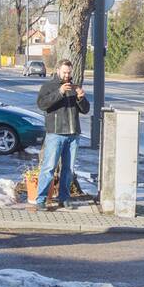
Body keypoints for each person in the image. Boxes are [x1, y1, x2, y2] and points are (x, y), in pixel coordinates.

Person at [35, 59, 89, 210]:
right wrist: (59, 92)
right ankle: (41, 199)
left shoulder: (75, 86)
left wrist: (81, 98)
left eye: (69, 72)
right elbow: (42, 104)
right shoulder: (48, 86)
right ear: (58, 70)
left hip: (73, 134)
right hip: (55, 133)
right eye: (64, 72)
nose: (67, 75)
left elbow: (85, 110)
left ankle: (64, 198)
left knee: (68, 169)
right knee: (49, 167)